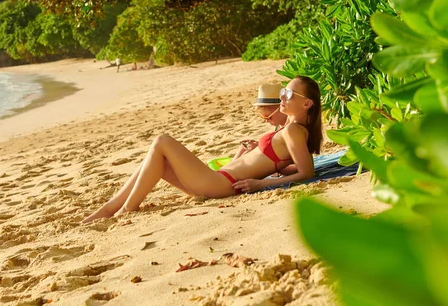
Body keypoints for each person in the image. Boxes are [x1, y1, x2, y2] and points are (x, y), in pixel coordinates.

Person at [81, 76, 322, 223]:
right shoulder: (288, 129)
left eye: (288, 93)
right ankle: (110, 208)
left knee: (162, 141)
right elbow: (288, 166)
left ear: (306, 103)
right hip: (219, 179)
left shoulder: (294, 131)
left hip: (220, 184)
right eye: (282, 92)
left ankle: (126, 208)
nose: (283, 96)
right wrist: (253, 159)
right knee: (160, 163)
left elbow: (306, 173)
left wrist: (261, 184)